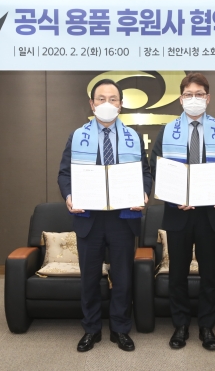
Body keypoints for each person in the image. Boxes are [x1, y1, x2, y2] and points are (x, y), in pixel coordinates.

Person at [58, 79, 153, 352]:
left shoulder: (133, 137)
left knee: (122, 278)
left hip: (123, 218)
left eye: (113, 99)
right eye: (101, 99)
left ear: (121, 104)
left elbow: (145, 173)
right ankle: (91, 329)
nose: (107, 104)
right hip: (89, 217)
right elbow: (65, 174)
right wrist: (69, 196)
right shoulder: (77, 136)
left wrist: (144, 193)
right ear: (92, 104)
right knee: (89, 278)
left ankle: (120, 329)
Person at [150, 72, 215, 351]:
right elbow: (155, 166)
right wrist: (172, 193)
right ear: (181, 99)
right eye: (188, 94)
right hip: (178, 213)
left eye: (199, 94)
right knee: (177, 273)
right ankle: (180, 326)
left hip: (209, 214)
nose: (194, 99)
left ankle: (206, 327)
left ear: (208, 98)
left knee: (210, 274)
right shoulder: (168, 131)